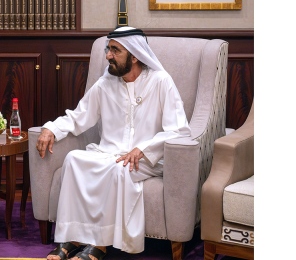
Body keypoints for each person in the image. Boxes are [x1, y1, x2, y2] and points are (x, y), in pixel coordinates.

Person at [37, 27, 191, 260]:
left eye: (115, 50)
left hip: (147, 158)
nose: (108, 55)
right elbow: (80, 116)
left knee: (119, 169)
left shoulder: (161, 81)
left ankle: (99, 244)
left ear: (135, 55)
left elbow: (179, 129)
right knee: (74, 159)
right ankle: (74, 238)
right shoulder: (105, 82)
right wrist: (52, 128)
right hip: (109, 152)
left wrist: (143, 148)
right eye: (108, 49)